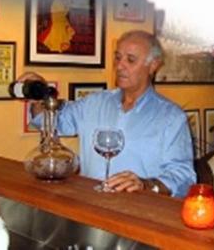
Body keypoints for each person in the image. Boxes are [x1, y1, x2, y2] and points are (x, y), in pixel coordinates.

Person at [20, 30, 194, 196]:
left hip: (136, 214)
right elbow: (50, 121)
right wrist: (38, 97)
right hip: (90, 208)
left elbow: (183, 178)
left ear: (153, 65)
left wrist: (145, 185)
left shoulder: (171, 117)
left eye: (130, 60)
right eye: (117, 57)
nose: (119, 66)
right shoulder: (94, 103)